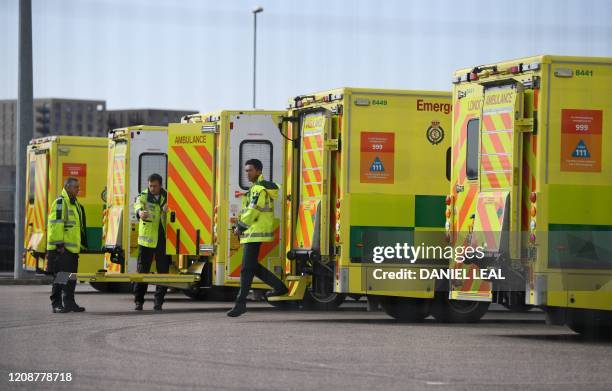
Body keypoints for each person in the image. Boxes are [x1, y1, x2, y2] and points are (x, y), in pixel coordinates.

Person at [227, 159, 288, 317]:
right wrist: (238, 225)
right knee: (252, 267)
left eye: (250, 170)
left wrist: (240, 226)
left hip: (255, 232)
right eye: (246, 170)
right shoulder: (255, 188)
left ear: (259, 171)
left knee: (247, 269)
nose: (247, 173)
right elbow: (248, 210)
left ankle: (240, 303)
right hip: (252, 232)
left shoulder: (259, 189)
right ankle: (279, 287)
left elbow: (253, 211)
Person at [48, 177, 88, 313]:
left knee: (71, 278)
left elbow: (76, 228)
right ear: (68, 187)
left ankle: (70, 303)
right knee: (61, 278)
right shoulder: (61, 202)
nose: (78, 189)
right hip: (62, 249)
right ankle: (56, 304)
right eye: (76, 187)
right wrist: (59, 245)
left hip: (71, 250)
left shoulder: (74, 203)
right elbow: (56, 224)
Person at [133, 173, 170, 311]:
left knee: (163, 273)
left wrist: (167, 210)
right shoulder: (143, 196)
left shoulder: (168, 197)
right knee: (142, 272)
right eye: (150, 186)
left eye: (154, 186)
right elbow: (137, 205)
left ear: (160, 185)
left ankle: (158, 302)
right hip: (146, 241)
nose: (152, 188)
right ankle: (138, 301)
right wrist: (139, 213)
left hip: (163, 239)